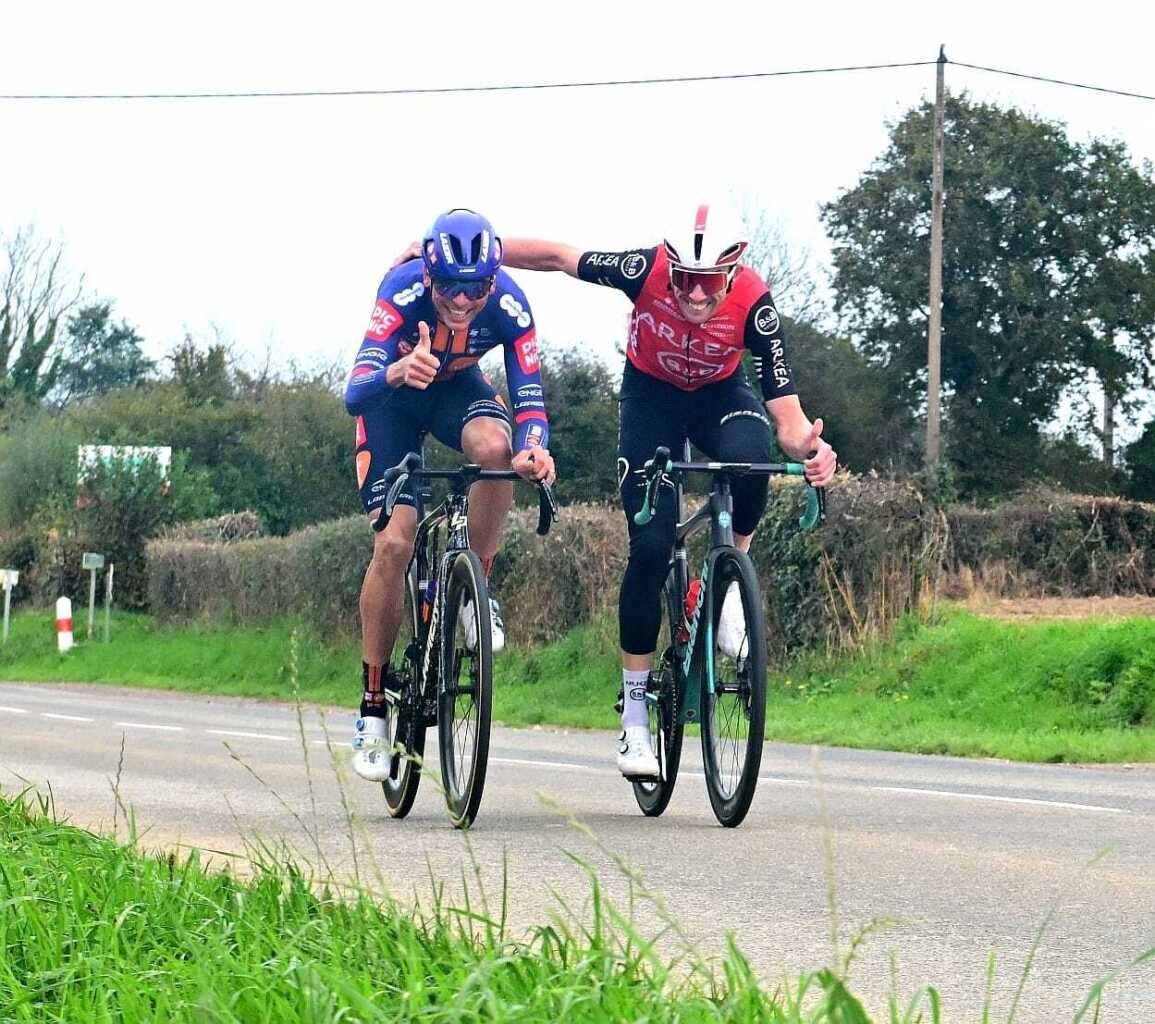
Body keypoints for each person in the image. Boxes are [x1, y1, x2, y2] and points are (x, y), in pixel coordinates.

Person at [500, 202, 837, 777]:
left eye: (708, 284)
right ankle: (634, 717)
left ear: (730, 272)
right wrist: (479, 251)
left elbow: (788, 421)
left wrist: (812, 450)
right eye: (684, 281)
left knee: (752, 464)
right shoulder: (644, 270)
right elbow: (559, 257)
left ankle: (727, 584)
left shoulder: (756, 305)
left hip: (719, 397)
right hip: (650, 398)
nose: (695, 295)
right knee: (652, 547)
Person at [345, 208, 556, 782]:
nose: (462, 301)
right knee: (394, 544)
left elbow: (530, 398)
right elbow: (353, 393)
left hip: (455, 391)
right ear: (429, 275)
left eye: (476, 288)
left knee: (496, 447)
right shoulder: (400, 289)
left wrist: (533, 447)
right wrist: (396, 371)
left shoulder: (510, 305)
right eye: (450, 289)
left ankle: (473, 588)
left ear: (493, 279)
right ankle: (372, 705)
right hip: (392, 403)